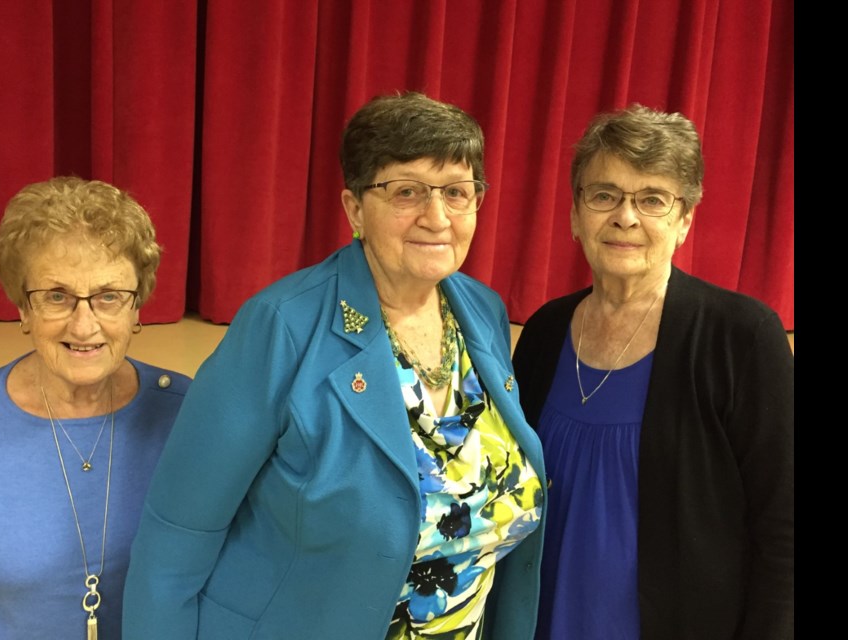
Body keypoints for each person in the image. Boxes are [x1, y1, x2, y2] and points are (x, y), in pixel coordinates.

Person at [122, 92, 547, 640]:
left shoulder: (482, 311)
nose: (436, 216)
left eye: (456, 192)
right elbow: (176, 534)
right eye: (407, 191)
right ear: (353, 210)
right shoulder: (282, 325)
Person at [511, 104, 794, 639]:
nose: (625, 216)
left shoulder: (742, 338)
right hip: (538, 624)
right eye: (604, 195)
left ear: (685, 219)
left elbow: (784, 531)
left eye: (653, 200)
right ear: (575, 214)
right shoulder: (545, 332)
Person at [0, 177, 192, 639]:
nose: (84, 325)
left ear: (137, 308)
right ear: (23, 306)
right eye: (56, 296)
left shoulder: (189, 416)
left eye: (109, 297)